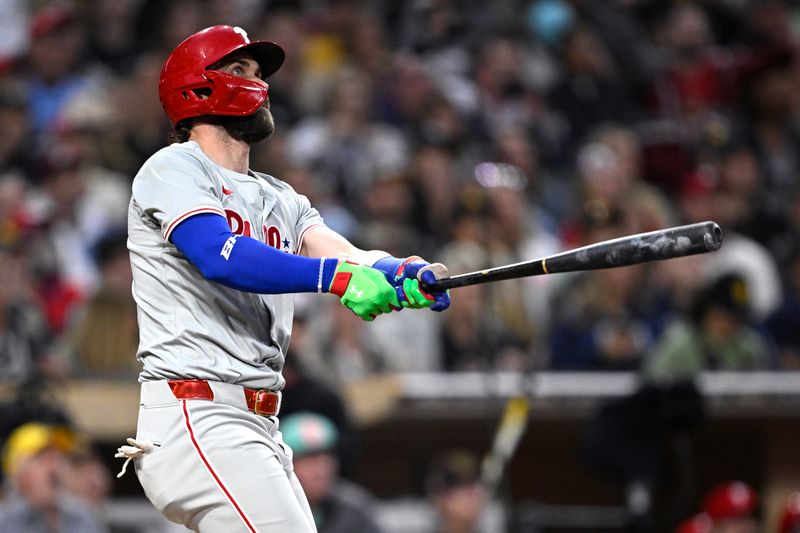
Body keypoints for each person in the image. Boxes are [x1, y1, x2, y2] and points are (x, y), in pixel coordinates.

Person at [116, 25, 450, 533]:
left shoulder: (280, 197)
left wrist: (400, 271)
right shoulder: (172, 168)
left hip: (257, 422)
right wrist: (338, 279)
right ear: (197, 87)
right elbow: (220, 255)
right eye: (239, 70)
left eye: (258, 73)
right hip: (197, 413)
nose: (258, 83)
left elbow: (342, 252)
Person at [280, 411, 382, 533]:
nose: (321, 470)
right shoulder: (268, 507)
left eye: (326, 459)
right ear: (286, 465)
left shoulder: (354, 508)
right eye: (310, 461)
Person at [0, 422, 105, 533]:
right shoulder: (6, 523)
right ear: (18, 471)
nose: (54, 468)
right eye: (43, 459)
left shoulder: (82, 517)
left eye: (57, 457)